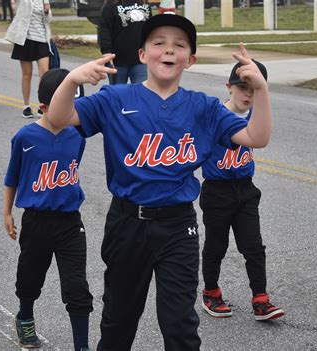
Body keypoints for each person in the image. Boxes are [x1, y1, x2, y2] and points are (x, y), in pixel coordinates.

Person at [47, 13, 272, 350]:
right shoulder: (115, 99)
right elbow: (58, 117)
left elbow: (257, 136)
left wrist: (262, 88)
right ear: (142, 54)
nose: (169, 51)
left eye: (179, 45)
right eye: (159, 43)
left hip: (178, 225)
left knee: (180, 326)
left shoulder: (203, 107)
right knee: (118, 323)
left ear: (190, 59)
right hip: (126, 223)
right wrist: (70, 81)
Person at [3, 68, 92, 350]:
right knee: (30, 278)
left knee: (77, 288)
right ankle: (25, 315)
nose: (71, 110)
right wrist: (7, 212)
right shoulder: (25, 137)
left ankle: (82, 345)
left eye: (74, 104)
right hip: (36, 221)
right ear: (44, 106)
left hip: (69, 222)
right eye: (64, 104)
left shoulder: (77, 135)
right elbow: (13, 176)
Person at [200, 60, 284, 321]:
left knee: (254, 247)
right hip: (216, 190)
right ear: (229, 87)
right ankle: (211, 292)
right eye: (242, 87)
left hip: (246, 191)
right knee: (217, 245)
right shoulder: (214, 116)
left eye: (254, 89)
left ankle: (261, 300)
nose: (248, 94)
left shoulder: (255, 117)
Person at [5, 0, 52, 119]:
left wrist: (47, 11)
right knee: (27, 74)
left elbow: (48, 20)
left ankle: (43, 104)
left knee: (45, 74)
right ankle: (26, 106)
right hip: (25, 39)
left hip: (41, 39)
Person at [97, 0, 151, 85]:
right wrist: (106, 52)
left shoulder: (144, 3)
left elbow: (150, 29)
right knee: (118, 94)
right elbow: (104, 29)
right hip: (117, 61)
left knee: (141, 92)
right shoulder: (111, 5)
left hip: (141, 59)